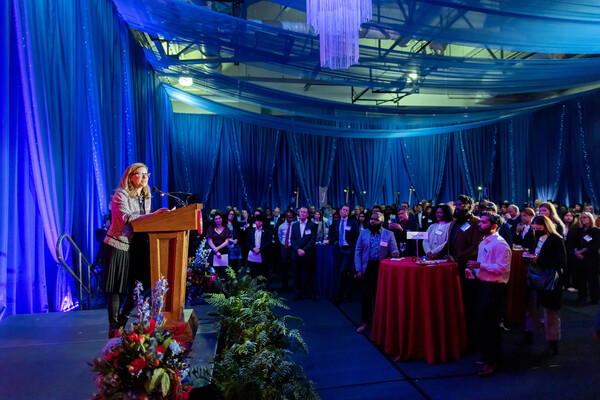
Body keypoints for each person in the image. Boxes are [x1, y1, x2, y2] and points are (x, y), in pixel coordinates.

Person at [102, 163, 168, 338]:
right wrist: (154, 215)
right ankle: (113, 328)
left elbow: (144, 221)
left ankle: (122, 322)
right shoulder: (120, 195)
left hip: (137, 246)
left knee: (137, 286)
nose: (145, 177)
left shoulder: (145, 196)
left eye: (147, 174)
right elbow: (128, 218)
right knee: (117, 287)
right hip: (118, 245)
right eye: (140, 174)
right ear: (130, 176)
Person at [465, 212, 512, 377]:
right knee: (484, 324)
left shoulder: (500, 244)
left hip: (495, 288)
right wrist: (474, 271)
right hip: (484, 285)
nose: (479, 224)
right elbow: (485, 265)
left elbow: (503, 269)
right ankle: (490, 357)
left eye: (483, 222)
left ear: (493, 226)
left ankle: (492, 361)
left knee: (488, 324)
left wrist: (480, 265)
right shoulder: (485, 241)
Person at [522, 215, 567, 356]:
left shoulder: (556, 239)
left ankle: (553, 343)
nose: (536, 229)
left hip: (550, 279)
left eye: (538, 227)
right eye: (534, 227)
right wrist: (529, 257)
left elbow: (562, 261)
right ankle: (530, 333)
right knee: (531, 306)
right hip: (535, 276)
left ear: (545, 226)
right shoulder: (536, 238)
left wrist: (539, 259)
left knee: (550, 311)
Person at [354, 212, 399, 333]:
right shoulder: (364, 233)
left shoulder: (389, 234)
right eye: (371, 219)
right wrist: (358, 269)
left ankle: (382, 324)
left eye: (375, 219)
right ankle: (366, 322)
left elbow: (394, 248)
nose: (372, 221)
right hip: (367, 267)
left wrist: (395, 252)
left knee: (382, 296)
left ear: (381, 222)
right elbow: (357, 251)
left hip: (382, 267)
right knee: (366, 295)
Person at [328, 205, 359, 303]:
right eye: (344, 209)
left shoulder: (353, 222)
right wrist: (329, 241)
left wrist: (353, 251)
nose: (345, 211)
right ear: (340, 211)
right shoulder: (336, 222)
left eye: (347, 210)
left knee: (342, 272)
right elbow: (334, 236)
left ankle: (337, 297)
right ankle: (347, 293)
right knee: (341, 273)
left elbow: (356, 238)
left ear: (348, 213)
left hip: (348, 250)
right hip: (339, 249)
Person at [291, 207, 318, 301]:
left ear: (307, 214)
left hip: (307, 254)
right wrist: (298, 249)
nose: (302, 213)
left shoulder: (312, 225)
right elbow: (292, 239)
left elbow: (312, 240)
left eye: (304, 212)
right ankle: (297, 293)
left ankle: (310, 293)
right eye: (301, 212)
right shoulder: (294, 225)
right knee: (296, 274)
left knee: (309, 274)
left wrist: (304, 250)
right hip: (296, 254)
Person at [573, 212, 600, 304]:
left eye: (585, 217)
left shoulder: (595, 231)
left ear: (590, 218)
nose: (583, 219)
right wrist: (577, 252)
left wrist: (582, 251)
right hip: (580, 258)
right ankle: (582, 296)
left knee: (592, 279)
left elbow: (595, 245)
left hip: (591, 257)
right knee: (581, 278)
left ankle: (594, 298)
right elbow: (575, 242)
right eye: (581, 217)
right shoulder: (579, 230)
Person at [246, 214, 272, 280]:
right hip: (253, 253)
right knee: (254, 271)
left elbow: (269, 242)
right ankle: (254, 286)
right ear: (255, 221)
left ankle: (264, 287)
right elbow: (247, 242)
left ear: (262, 222)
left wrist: (260, 249)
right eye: (257, 221)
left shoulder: (267, 231)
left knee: (264, 271)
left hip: (263, 253)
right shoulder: (251, 231)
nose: (258, 222)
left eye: (260, 221)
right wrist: (253, 248)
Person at [206, 212, 231, 280]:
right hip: (213, 251)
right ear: (214, 220)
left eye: (219, 218)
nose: (218, 220)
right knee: (213, 271)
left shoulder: (226, 229)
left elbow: (226, 241)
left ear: (222, 219)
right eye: (216, 219)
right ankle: (213, 287)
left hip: (223, 251)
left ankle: (223, 289)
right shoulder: (211, 228)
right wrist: (216, 250)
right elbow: (209, 241)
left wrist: (218, 248)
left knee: (224, 272)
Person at [563, 210, 580, 292]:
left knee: (574, 269)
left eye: (570, 216)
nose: (568, 217)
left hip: (572, 250)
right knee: (565, 268)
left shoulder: (576, 227)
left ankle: (575, 285)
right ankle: (565, 284)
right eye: (566, 215)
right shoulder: (560, 226)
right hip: (563, 249)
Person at [226, 210, 242, 275]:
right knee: (227, 263)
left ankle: (235, 277)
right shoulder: (224, 224)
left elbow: (239, 234)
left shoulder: (236, 223)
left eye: (233, 214)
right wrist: (231, 241)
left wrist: (236, 240)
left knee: (235, 263)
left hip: (235, 245)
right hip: (226, 244)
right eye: (230, 214)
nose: (231, 215)